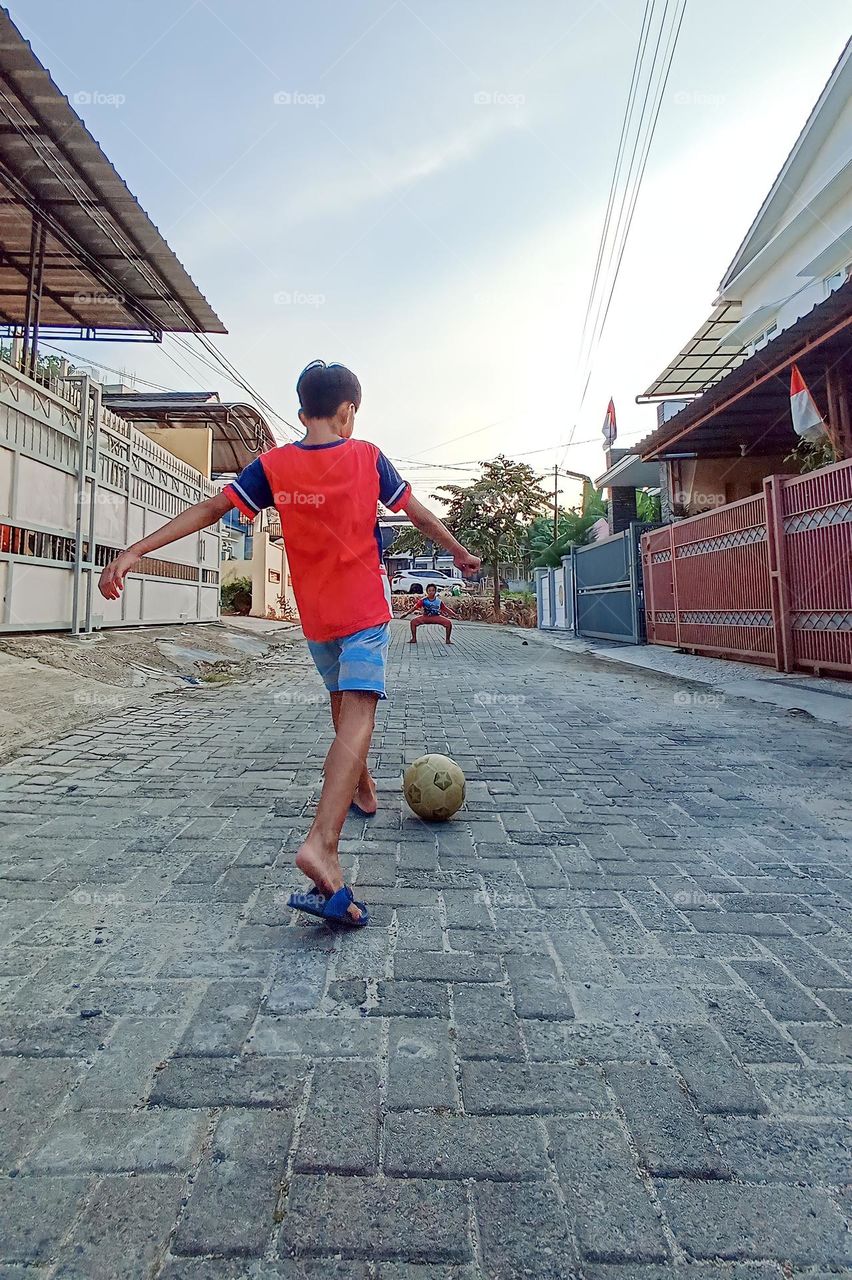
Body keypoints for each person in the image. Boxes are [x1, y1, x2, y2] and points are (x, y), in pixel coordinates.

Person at [98, 360, 480, 927]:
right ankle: (322, 844)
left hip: (317, 620)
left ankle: (364, 789)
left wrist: (135, 551)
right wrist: (458, 551)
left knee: (341, 704)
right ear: (348, 412)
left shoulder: (272, 466)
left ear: (303, 412)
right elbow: (418, 516)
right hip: (364, 615)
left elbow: (210, 509)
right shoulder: (368, 456)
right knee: (358, 715)